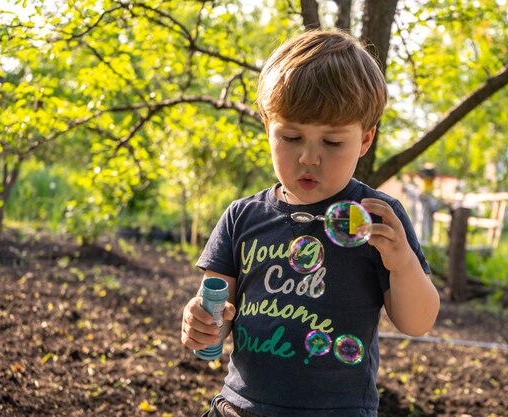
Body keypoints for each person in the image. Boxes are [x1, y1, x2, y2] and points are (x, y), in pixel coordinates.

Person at [181, 29, 440, 417]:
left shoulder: (376, 217)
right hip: (241, 407)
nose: (308, 158)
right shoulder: (242, 217)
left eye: (332, 143)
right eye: (291, 137)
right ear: (267, 128)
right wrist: (200, 322)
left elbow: (417, 323)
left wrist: (402, 263)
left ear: (365, 140)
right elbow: (217, 315)